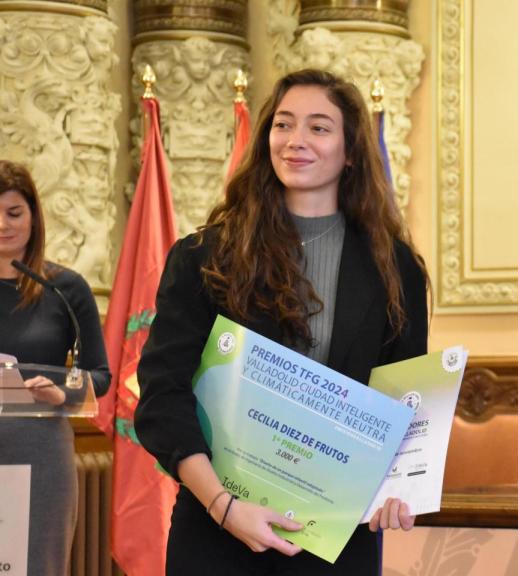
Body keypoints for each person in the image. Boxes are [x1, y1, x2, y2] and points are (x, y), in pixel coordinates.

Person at [135, 69, 429, 575]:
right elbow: (164, 396)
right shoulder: (205, 255)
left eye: (319, 128)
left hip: (335, 540)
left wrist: (402, 484)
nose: (296, 141)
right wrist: (224, 507)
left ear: (351, 150)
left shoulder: (394, 267)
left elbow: (404, 397)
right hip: (217, 531)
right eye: (283, 125)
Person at [0, 160, 111, 576]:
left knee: (36, 567)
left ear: (34, 217)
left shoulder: (64, 287)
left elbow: (100, 374)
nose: (3, 224)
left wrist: (63, 392)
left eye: (14, 212)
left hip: (41, 448)